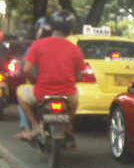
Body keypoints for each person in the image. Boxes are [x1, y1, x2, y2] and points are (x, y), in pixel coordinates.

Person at [17, 11, 84, 143]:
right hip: (67, 95)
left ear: (51, 27)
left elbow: (27, 69)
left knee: (20, 93)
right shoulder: (75, 49)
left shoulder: (37, 45)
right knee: (75, 102)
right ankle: (66, 126)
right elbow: (79, 76)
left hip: (41, 93)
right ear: (70, 29)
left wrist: (33, 82)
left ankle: (35, 127)